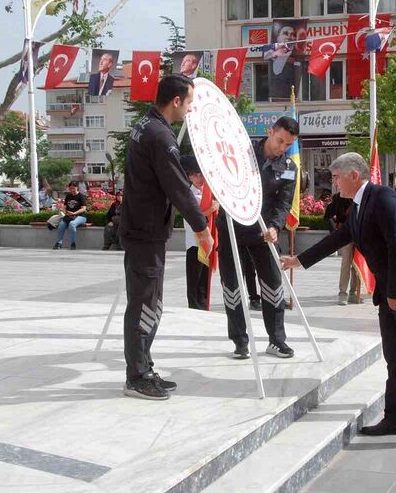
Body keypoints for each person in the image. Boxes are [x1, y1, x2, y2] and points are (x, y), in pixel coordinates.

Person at [281, 153, 396, 449]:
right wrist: (299, 260)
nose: (334, 184)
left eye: (336, 177)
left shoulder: (384, 198)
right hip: (392, 291)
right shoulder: (360, 205)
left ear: (353, 175)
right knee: (395, 356)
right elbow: (340, 238)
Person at [119, 74, 213, 400]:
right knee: (145, 304)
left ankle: (144, 366)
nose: (189, 110)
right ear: (176, 101)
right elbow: (179, 188)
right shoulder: (160, 136)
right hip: (145, 232)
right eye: (188, 103)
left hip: (142, 229)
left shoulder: (147, 125)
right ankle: (137, 376)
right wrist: (202, 230)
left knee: (150, 302)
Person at [217, 116, 299, 360]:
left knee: (273, 285)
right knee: (232, 285)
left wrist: (275, 226)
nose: (281, 148)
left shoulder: (289, 168)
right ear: (270, 131)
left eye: (288, 145)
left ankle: (276, 340)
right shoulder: (243, 152)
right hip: (232, 225)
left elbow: (284, 203)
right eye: (280, 140)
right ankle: (240, 341)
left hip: (264, 232)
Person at [180, 155, 220, 310]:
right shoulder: (188, 194)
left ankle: (203, 305)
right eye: (194, 175)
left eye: (200, 174)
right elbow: (194, 215)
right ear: (189, 177)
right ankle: (194, 306)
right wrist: (211, 209)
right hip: (194, 242)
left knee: (204, 278)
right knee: (194, 279)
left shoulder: (208, 193)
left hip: (208, 240)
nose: (198, 178)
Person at [324, 190, 360, 305]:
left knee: (357, 265)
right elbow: (328, 216)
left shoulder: (361, 196)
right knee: (346, 263)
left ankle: (353, 293)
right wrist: (335, 230)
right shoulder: (339, 197)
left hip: (360, 234)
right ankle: (343, 293)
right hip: (346, 234)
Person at [53, 181, 87, 250]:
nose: (72, 190)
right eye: (70, 188)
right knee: (61, 225)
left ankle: (73, 243)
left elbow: (83, 208)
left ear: (77, 188)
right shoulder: (68, 195)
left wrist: (74, 213)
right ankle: (59, 243)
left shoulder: (81, 196)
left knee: (72, 224)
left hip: (80, 216)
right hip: (69, 216)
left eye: (73, 188)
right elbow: (65, 207)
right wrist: (64, 211)